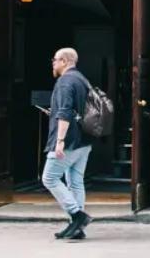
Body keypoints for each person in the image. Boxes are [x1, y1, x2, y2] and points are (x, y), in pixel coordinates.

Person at [42, 47, 93, 241]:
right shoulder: (82, 79)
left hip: (69, 140)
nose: (53, 63)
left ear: (64, 61)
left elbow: (65, 112)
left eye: (55, 60)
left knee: (50, 178)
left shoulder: (64, 82)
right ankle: (76, 227)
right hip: (84, 139)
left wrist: (60, 141)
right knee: (75, 181)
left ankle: (77, 216)